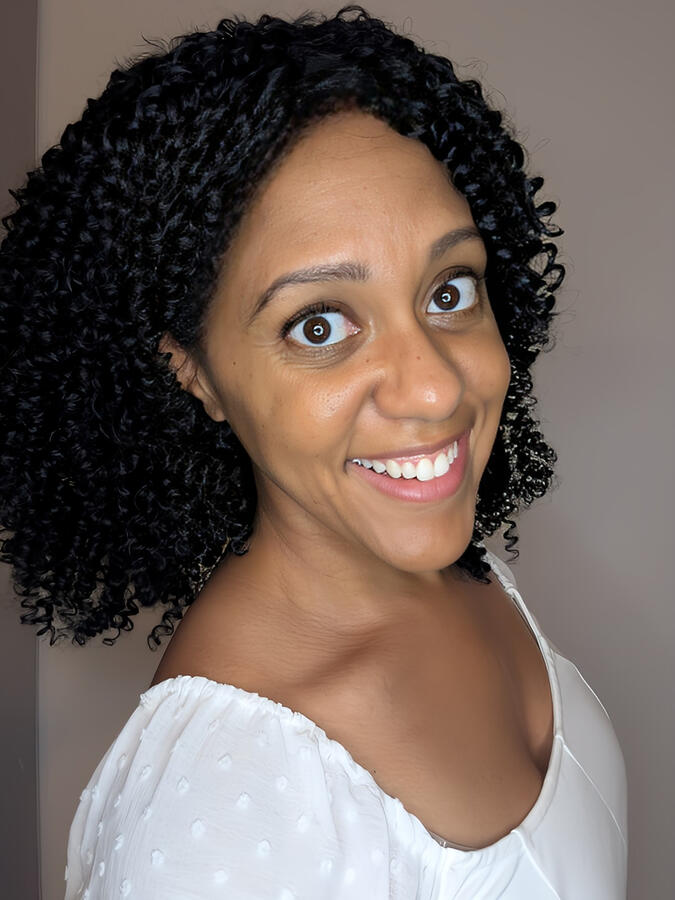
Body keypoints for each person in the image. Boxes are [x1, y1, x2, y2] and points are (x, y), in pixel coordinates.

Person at [0, 6, 627, 898]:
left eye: (449, 290)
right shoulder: (215, 813)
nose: (436, 389)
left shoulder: (465, 564)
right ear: (193, 374)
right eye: (320, 323)